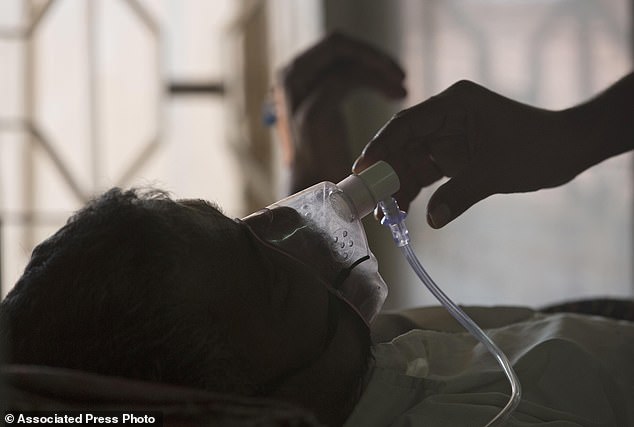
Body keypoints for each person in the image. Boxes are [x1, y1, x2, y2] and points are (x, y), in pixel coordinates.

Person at [1, 33, 633, 427]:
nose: (288, 219)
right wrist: (583, 135)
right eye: (266, 274)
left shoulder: (355, 364)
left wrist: (305, 163)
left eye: (243, 222)